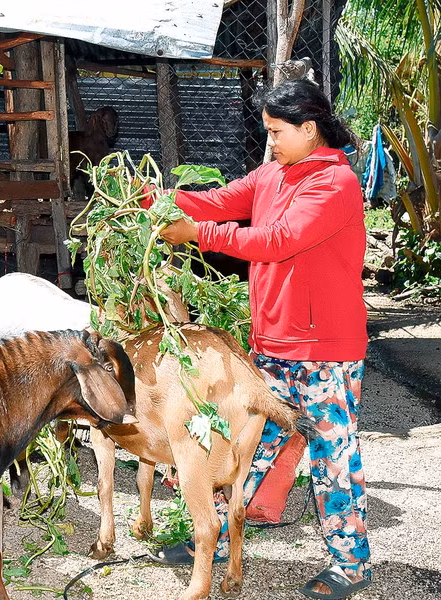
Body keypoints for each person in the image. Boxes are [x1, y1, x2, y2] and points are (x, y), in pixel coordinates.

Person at [152, 79, 372, 599]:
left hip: (325, 353)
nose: (269, 142)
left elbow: (277, 241)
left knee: (332, 455)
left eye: (276, 132)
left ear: (309, 129)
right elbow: (220, 200)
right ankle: (214, 533)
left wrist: (198, 235)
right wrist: (158, 200)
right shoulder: (274, 173)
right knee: (244, 445)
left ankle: (350, 566)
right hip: (273, 345)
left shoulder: (335, 184)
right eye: (266, 131)